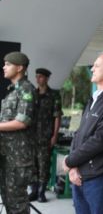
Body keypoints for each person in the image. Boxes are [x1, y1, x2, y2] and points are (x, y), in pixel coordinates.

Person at [62, 52, 103, 214]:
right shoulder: (94, 99)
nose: (92, 69)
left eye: (97, 66)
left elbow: (100, 140)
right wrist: (72, 166)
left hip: (99, 175)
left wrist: (70, 160)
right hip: (80, 173)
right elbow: (79, 135)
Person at [0, 52, 36, 214]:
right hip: (7, 155)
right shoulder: (13, 91)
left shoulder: (26, 89)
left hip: (19, 158)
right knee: (8, 199)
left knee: (17, 203)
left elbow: (22, 122)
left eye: (8, 64)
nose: (4, 67)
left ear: (20, 67)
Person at [27, 68, 63, 202]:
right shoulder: (32, 94)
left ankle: (42, 192)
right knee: (32, 165)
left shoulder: (54, 95)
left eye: (41, 77)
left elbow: (57, 116)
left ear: (47, 78)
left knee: (44, 165)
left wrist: (54, 135)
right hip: (31, 136)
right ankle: (34, 191)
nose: (38, 79)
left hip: (45, 136)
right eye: (37, 77)